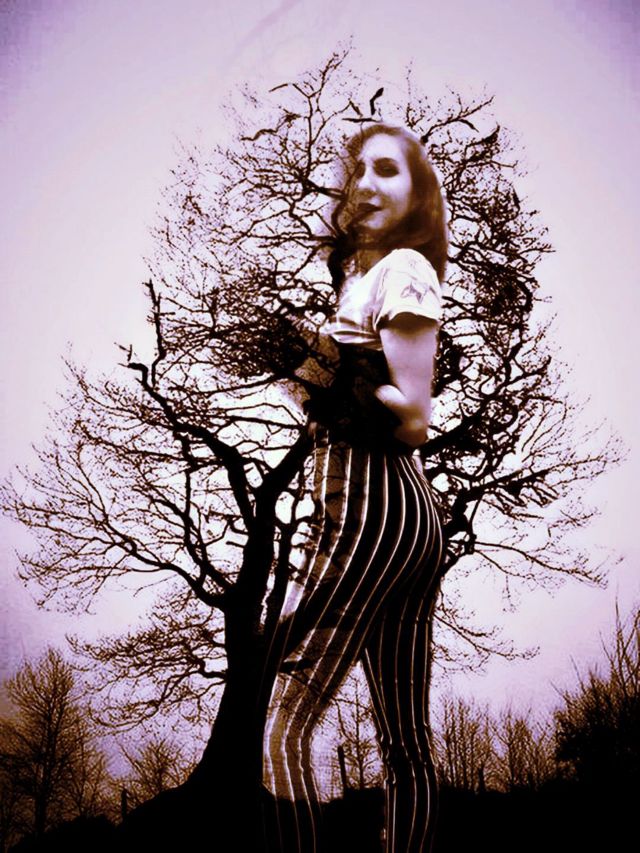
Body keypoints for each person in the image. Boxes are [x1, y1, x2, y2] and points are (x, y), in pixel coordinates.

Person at [261, 123, 447, 853]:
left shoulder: (404, 266)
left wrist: (329, 370)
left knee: (276, 725)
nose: (365, 183)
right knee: (406, 742)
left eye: (387, 169)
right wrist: (316, 365)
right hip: (405, 516)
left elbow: (414, 418)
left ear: (418, 194)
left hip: (370, 502)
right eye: (357, 170)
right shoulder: (362, 279)